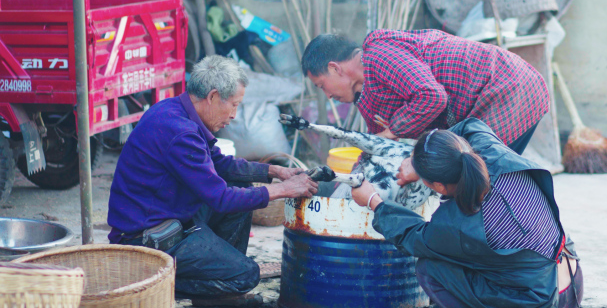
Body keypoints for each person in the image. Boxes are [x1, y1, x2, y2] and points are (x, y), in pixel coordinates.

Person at [107, 55, 318, 307]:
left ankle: (218, 277)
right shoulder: (181, 132)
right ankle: (159, 282)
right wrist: (283, 190)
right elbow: (221, 198)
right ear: (213, 96)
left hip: (171, 220)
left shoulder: (177, 110)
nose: (234, 115)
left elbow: (222, 164)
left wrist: (274, 171)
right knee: (246, 275)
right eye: (234, 105)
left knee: (245, 196)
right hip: (146, 241)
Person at [351, 118, 582, 308]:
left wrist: (374, 200)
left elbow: (414, 237)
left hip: (543, 301)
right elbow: (471, 125)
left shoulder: (458, 224)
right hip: (572, 281)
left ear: (438, 186)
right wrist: (416, 160)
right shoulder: (493, 153)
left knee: (430, 268)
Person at [301, 29, 549, 154]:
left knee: (477, 179)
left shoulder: (378, 55)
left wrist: (392, 132)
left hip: (507, 87)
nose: (327, 96)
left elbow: (431, 96)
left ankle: (538, 239)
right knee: (486, 180)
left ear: (335, 68)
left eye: (322, 86)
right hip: (503, 93)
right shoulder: (367, 96)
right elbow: (379, 141)